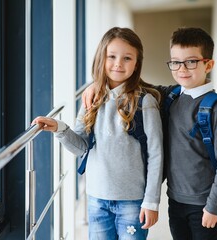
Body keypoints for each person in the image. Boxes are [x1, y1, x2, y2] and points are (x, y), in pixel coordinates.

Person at [82, 27, 217, 240]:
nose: (182, 69)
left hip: (204, 203)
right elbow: (133, 86)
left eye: (191, 61)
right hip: (176, 200)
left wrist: (214, 206)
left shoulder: (216, 109)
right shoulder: (172, 96)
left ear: (208, 65)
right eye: (176, 62)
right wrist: (95, 85)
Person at [32, 27, 163, 240]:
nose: (118, 63)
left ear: (136, 63)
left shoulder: (145, 102)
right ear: (101, 58)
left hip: (132, 201)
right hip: (96, 199)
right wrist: (59, 128)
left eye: (127, 58)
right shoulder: (90, 100)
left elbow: (156, 155)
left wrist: (151, 201)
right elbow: (80, 147)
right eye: (111, 56)